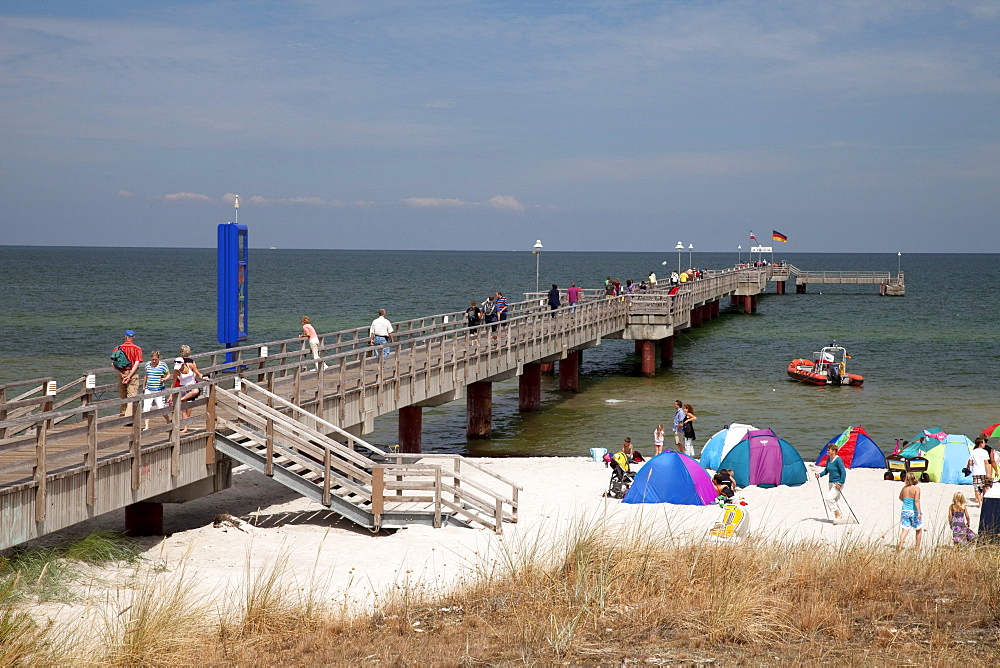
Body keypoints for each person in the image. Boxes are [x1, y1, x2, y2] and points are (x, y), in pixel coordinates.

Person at [113, 330, 143, 419]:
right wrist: (129, 376)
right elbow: (137, 363)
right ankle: (129, 417)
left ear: (125, 337)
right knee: (132, 395)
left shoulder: (117, 348)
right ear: (133, 337)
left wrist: (122, 374)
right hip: (132, 373)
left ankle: (122, 414)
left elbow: (113, 364)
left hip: (121, 373)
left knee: (123, 395)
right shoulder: (137, 349)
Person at [815, 444, 847, 523]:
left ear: (834, 451)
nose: (827, 451)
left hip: (837, 483)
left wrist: (840, 483)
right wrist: (819, 475)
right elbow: (826, 470)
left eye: (829, 450)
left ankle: (837, 513)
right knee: (836, 500)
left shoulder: (838, 460)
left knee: (829, 498)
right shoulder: (829, 459)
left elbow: (843, 472)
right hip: (831, 482)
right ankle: (840, 518)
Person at [141, 351, 171, 431]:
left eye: (155, 359)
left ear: (158, 358)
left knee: (161, 408)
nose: (154, 361)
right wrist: (143, 386)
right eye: (152, 359)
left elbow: (168, 374)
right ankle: (146, 426)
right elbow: (146, 375)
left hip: (159, 390)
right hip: (149, 389)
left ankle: (168, 422)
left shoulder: (163, 365)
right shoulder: (147, 364)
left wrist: (165, 379)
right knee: (146, 408)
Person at [897, 473, 923, 550]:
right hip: (913, 510)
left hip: (905, 510)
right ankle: (917, 547)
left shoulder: (904, 488)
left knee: (905, 529)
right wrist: (919, 512)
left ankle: (900, 545)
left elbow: (900, 497)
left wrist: (906, 502)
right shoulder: (916, 489)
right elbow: (916, 500)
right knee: (918, 529)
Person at [175, 357, 201, 433]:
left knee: (190, 404)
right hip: (183, 388)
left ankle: (181, 400)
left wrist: (200, 377)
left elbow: (197, 372)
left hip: (192, 387)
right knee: (184, 410)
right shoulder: (177, 369)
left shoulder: (191, 363)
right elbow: (174, 380)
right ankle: (185, 427)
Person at [969, 437, 991, 504]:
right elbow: (986, 463)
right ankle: (984, 501)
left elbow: (970, 463)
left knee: (977, 488)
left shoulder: (973, 452)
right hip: (983, 472)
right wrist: (988, 473)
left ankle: (980, 503)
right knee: (985, 487)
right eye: (984, 442)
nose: (985, 444)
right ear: (981, 444)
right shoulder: (984, 452)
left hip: (975, 472)